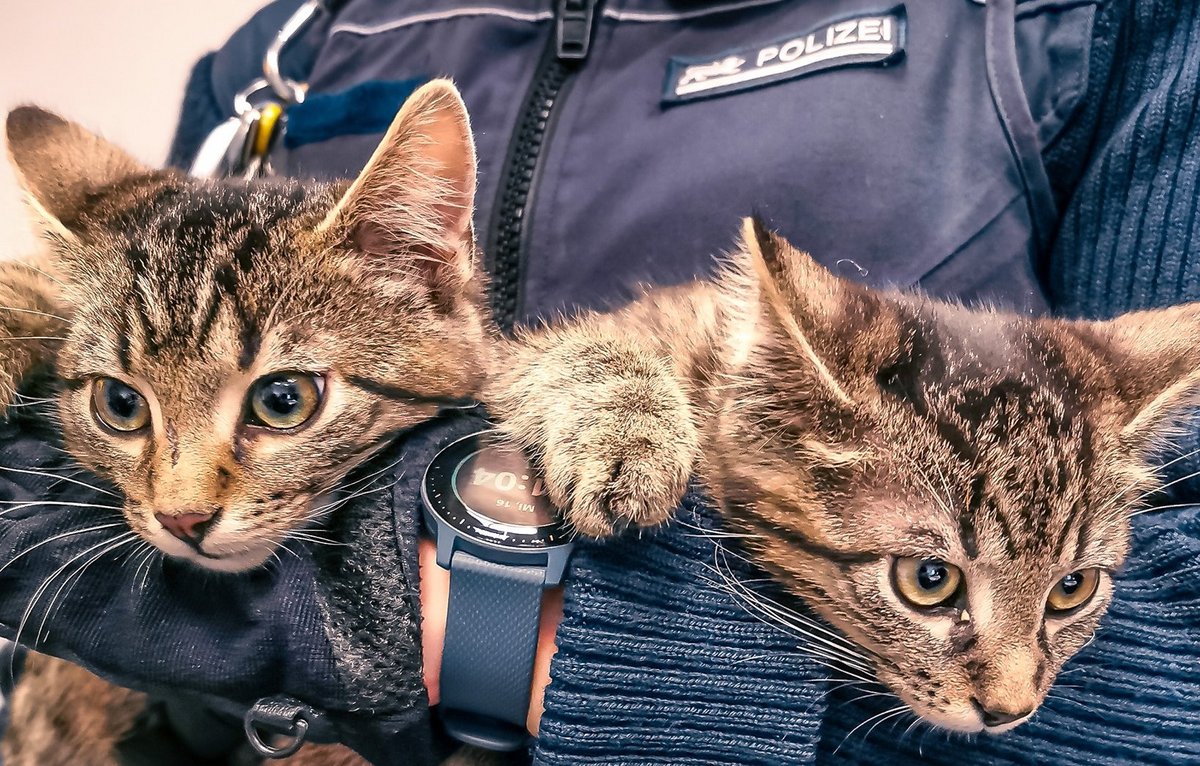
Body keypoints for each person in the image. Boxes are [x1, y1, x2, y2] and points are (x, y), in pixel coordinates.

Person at [3, 0, 1200, 763]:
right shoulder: (290, 48)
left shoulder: (1082, 28)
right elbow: (142, 312)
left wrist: (466, 604)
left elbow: (1177, 666)